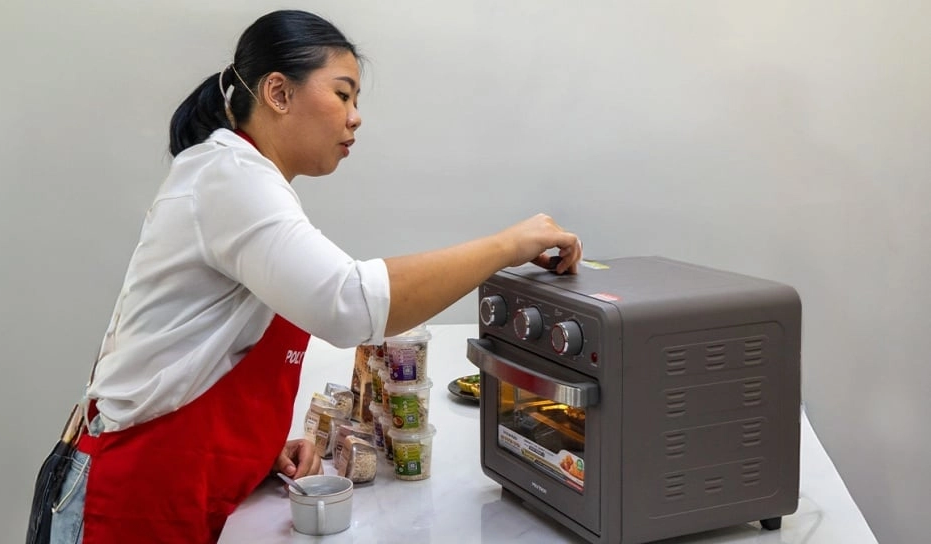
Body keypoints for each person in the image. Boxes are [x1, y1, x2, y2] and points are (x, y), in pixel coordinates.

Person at [44, 9, 581, 544]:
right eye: (343, 94)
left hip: (175, 479)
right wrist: (508, 245)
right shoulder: (230, 176)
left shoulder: (243, 178)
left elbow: (209, 348)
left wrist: (257, 450)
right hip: (136, 488)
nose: (355, 117)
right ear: (278, 93)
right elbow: (349, 303)